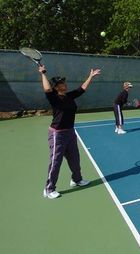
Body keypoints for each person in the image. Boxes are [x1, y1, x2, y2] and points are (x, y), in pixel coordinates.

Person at [39, 64, 101, 199]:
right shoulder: (53, 98)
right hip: (57, 134)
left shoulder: (69, 96)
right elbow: (47, 89)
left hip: (70, 132)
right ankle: (49, 189)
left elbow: (82, 89)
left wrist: (90, 76)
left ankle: (77, 180)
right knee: (56, 161)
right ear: (56, 87)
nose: (64, 84)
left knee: (75, 159)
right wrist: (43, 73)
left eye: (64, 82)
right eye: (61, 83)